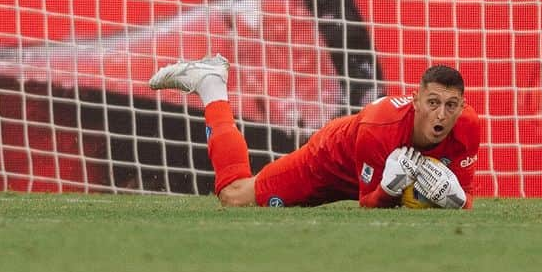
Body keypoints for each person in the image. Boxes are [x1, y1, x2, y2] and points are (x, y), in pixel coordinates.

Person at [149, 57, 480, 210]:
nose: (441, 114)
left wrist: (453, 202)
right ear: (416, 99)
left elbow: (463, 199)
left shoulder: (468, 126)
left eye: (451, 105)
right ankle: (211, 85)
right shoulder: (381, 128)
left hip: (369, 169)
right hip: (330, 161)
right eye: (433, 102)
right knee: (235, 197)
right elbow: (369, 204)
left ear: (462, 105)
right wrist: (389, 190)